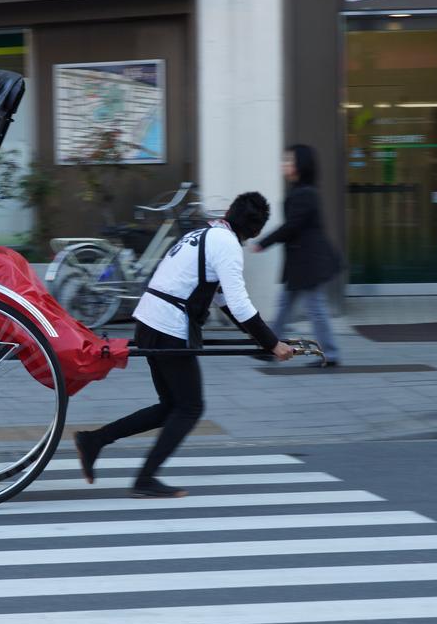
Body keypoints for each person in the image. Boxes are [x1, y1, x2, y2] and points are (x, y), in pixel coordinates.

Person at [74, 192, 294, 499]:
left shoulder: (205, 233)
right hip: (168, 326)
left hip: (150, 321)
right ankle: (145, 479)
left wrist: (259, 339)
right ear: (255, 230)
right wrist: (272, 343)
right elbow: (240, 304)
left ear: (230, 212)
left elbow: (221, 299)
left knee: (171, 406)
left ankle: (95, 441)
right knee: (190, 407)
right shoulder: (228, 245)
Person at [253, 144, 342, 367]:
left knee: (315, 308)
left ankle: (330, 354)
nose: (285, 164)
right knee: (285, 305)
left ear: (301, 165)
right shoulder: (300, 190)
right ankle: (270, 347)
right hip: (301, 262)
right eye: (285, 160)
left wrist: (263, 243)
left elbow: (291, 227)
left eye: (290, 161)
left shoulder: (305, 194)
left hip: (309, 263)